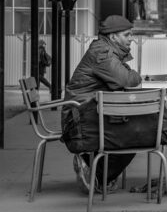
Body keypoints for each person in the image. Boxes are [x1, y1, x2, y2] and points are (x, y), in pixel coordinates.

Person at [60, 15, 142, 194]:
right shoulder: (102, 53)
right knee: (136, 134)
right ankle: (97, 173)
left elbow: (121, 80)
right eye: (127, 35)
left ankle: (95, 171)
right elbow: (126, 79)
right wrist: (135, 75)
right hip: (79, 119)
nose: (131, 39)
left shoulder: (106, 51)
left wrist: (128, 75)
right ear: (113, 37)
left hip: (88, 111)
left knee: (134, 131)